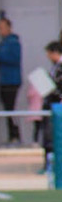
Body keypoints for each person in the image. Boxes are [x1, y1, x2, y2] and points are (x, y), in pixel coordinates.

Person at [0, 18, 22, 145]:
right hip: (3, 80)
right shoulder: (2, 43)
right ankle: (11, 135)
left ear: (9, 27)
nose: (0, 31)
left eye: (2, 27)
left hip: (12, 81)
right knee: (6, 109)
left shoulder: (13, 42)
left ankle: (16, 136)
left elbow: (14, 59)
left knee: (11, 108)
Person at [39, 41, 62, 173]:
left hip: (57, 105)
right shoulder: (55, 67)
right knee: (48, 136)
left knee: (53, 136)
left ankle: (53, 165)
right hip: (50, 104)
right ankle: (48, 164)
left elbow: (57, 87)